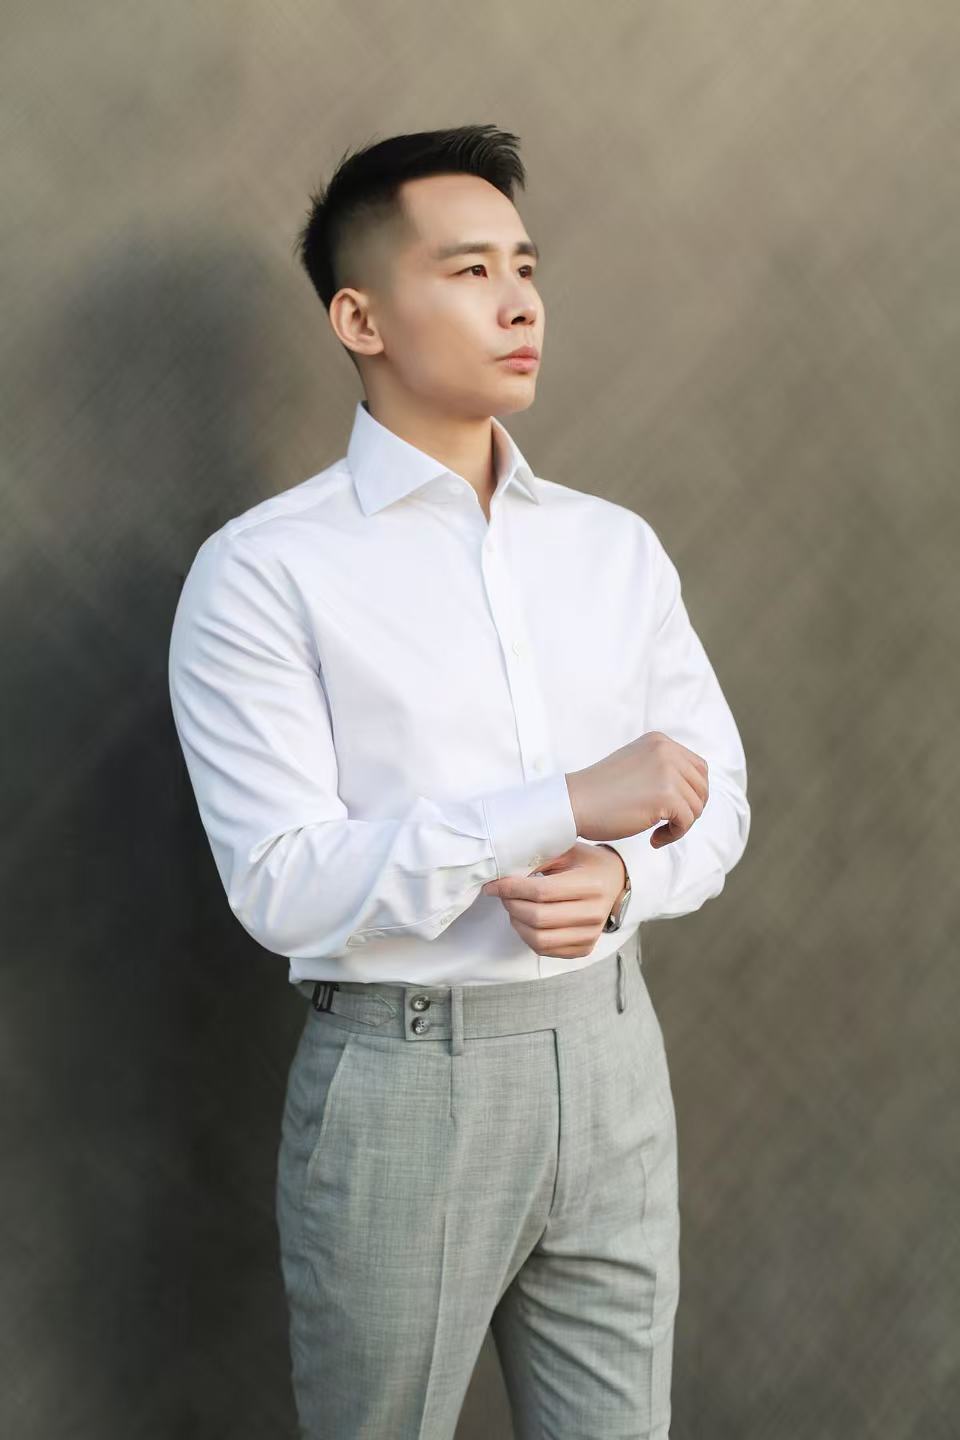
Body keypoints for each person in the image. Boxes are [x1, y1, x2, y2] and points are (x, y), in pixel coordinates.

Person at [167, 123, 750, 1440]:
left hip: (614, 1058)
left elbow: (713, 793)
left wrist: (623, 878)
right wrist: (564, 806)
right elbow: (281, 884)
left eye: (526, 267)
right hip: (401, 1084)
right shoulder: (265, 572)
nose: (521, 302)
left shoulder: (613, 549)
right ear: (360, 317)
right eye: (471, 269)